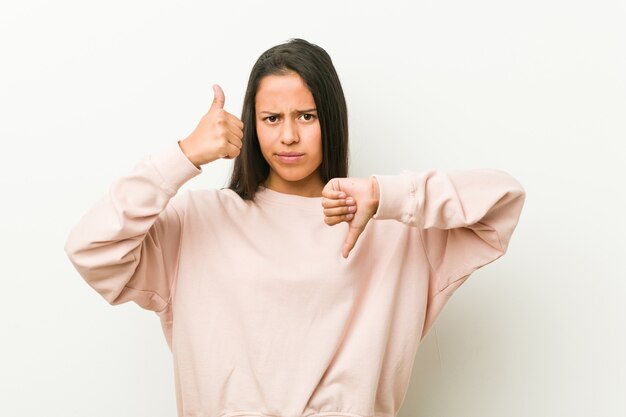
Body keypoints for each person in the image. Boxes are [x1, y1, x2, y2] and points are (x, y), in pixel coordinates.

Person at [64, 38, 526, 417]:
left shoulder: (394, 230)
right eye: (271, 119)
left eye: (306, 116)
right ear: (251, 125)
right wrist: (183, 155)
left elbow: (501, 203)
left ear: (332, 120)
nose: (288, 136)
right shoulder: (198, 223)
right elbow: (91, 249)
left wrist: (387, 195)